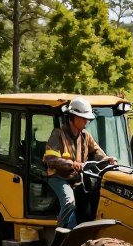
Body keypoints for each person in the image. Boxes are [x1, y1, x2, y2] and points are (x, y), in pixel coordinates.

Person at [43, 97, 116, 229]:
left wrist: (107, 160)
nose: (86, 121)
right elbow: (50, 160)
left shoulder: (86, 136)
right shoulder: (58, 134)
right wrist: (73, 165)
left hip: (77, 179)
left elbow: (97, 153)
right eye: (83, 118)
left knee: (94, 198)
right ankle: (61, 233)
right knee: (69, 202)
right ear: (73, 117)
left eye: (88, 118)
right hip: (59, 178)